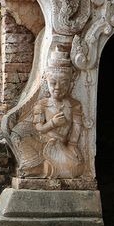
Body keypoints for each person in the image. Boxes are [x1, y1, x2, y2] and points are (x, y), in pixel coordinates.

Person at [32, 47, 84, 178]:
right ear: (46, 83)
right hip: (47, 142)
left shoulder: (74, 105)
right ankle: (45, 167)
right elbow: (39, 128)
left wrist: (72, 145)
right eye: (53, 83)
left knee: (76, 168)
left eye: (63, 84)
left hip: (63, 144)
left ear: (70, 85)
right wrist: (52, 123)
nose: (57, 88)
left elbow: (77, 127)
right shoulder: (42, 104)